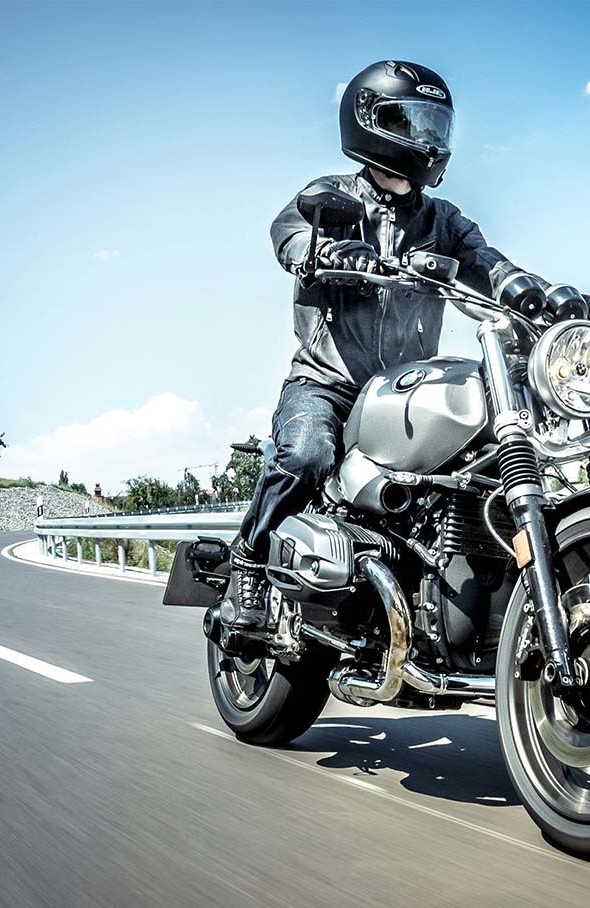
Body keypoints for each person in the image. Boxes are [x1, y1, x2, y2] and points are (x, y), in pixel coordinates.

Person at [227, 60, 547, 628]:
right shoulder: (331, 196)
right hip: (329, 382)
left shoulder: (442, 219)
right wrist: (321, 252)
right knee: (304, 455)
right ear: (371, 123)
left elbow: (488, 263)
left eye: (435, 126)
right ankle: (249, 560)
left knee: (487, 457)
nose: (427, 140)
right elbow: (290, 230)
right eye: (413, 123)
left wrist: (541, 296)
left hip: (405, 391)